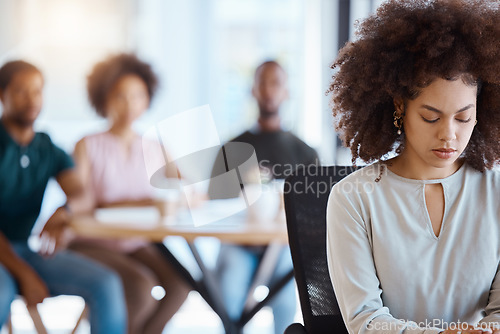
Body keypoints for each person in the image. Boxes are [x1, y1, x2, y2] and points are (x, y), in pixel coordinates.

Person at [325, 1, 500, 334]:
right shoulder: (352, 199)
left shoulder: (496, 194)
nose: (449, 134)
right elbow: (366, 321)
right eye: (430, 116)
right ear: (400, 107)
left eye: (463, 117)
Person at [0, 60, 127, 333]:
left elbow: (83, 194)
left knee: (106, 283)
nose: (32, 99)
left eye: (37, 91)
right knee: (1, 295)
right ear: (2, 95)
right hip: (4, 255)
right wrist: (24, 274)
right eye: (22, 91)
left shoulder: (46, 146)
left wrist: (65, 210)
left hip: (25, 249)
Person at [67, 53, 190, 334]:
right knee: (140, 287)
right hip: (92, 242)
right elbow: (81, 204)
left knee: (181, 285)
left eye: (138, 96)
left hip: (136, 242)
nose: (129, 104)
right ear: (104, 98)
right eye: (120, 95)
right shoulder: (87, 145)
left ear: (148, 99)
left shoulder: (156, 146)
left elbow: (189, 189)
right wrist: (144, 202)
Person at [209, 60, 319, 333]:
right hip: (238, 245)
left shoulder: (305, 153)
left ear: (287, 91)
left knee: (285, 297)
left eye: (276, 83)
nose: (269, 90)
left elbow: (316, 213)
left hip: (282, 246)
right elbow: (212, 209)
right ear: (252, 90)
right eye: (262, 83)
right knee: (229, 293)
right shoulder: (231, 148)